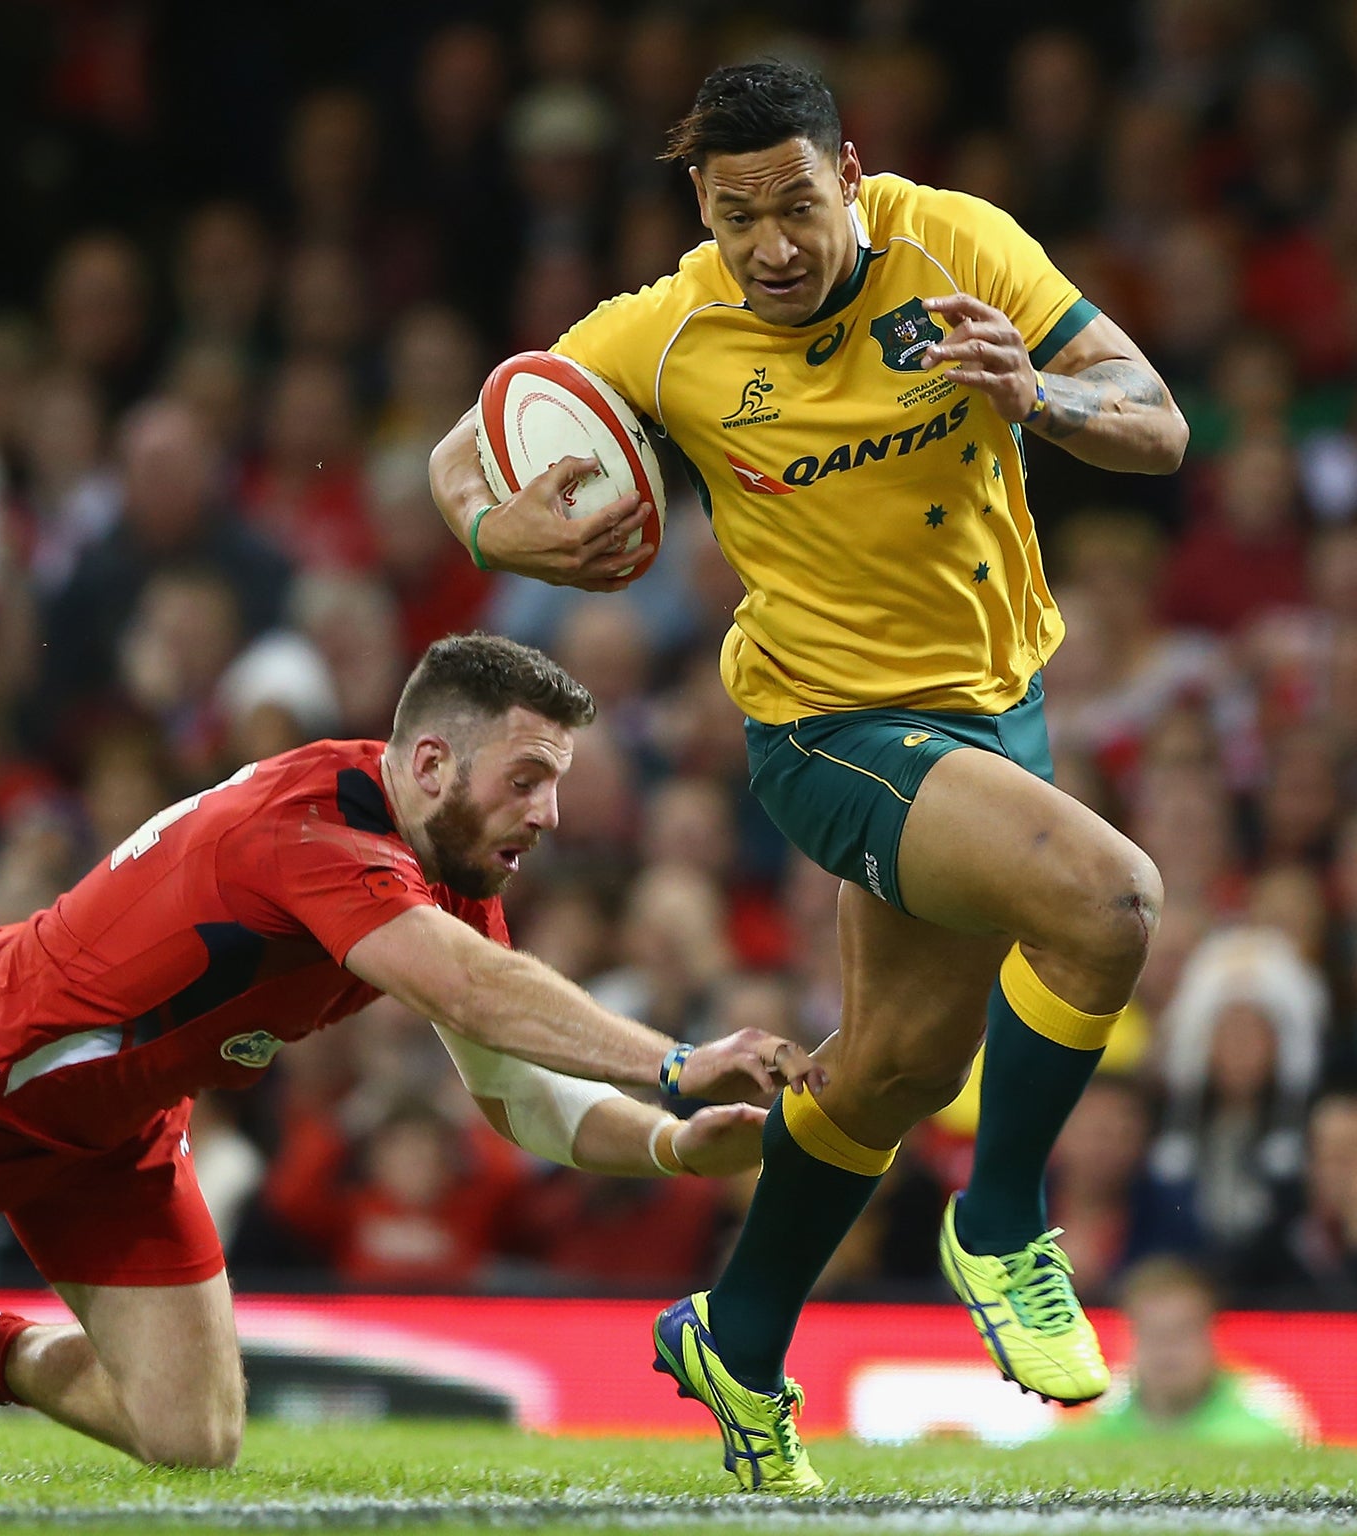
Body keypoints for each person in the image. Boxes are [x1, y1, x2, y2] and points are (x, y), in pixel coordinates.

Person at [0, 632, 822, 1470]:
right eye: (526, 777)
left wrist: (659, 1139)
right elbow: (469, 985)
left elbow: (513, 1085)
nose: (551, 812)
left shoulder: (440, 875)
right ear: (423, 764)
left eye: (561, 784)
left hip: (111, 1131)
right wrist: (674, 1057)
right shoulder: (317, 842)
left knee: (195, 1436)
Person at [429, 61, 1187, 1492]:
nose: (771, 246)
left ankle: (739, 1332)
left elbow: (1158, 418)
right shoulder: (665, 331)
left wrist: (1040, 393)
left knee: (896, 1069)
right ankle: (1006, 1221)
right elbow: (460, 451)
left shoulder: (956, 241)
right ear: (698, 211)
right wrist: (497, 536)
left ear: (850, 173)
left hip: (993, 710)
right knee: (1112, 905)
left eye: (795, 204)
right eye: (733, 216)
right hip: (827, 730)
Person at [1053, 1257, 1303, 1444]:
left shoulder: (1264, 1425)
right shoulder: (1098, 1419)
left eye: (1181, 1332)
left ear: (1213, 1336)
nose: (1166, 1350)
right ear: (1128, 1338)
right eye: (1152, 1334)